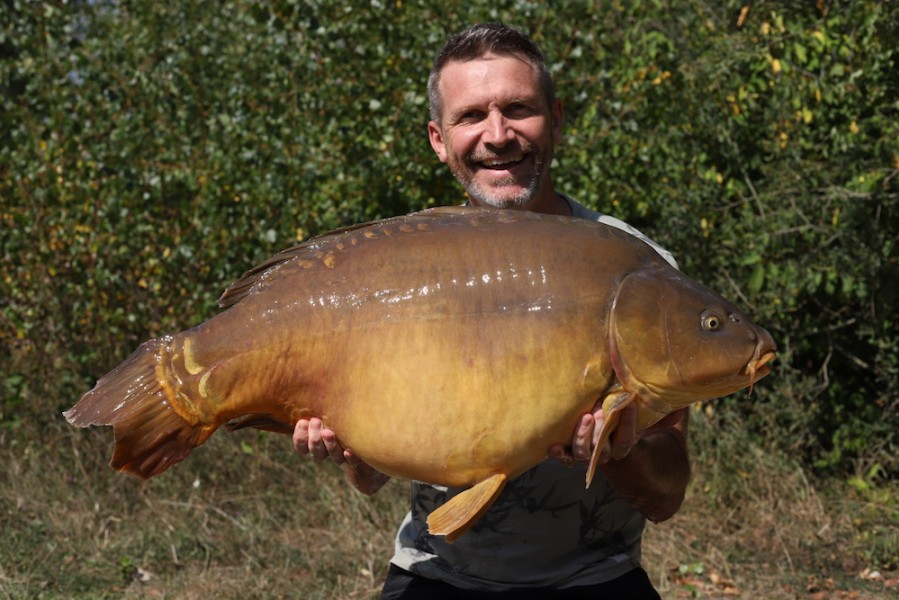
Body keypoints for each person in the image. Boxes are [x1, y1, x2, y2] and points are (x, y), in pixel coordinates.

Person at [294, 23, 690, 599]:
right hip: (435, 573)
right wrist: (349, 447)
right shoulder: (400, 266)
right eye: (471, 116)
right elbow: (371, 478)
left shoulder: (636, 269)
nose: (497, 134)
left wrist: (622, 452)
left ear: (555, 119)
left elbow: (667, 494)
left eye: (518, 109)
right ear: (438, 137)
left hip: (596, 579)